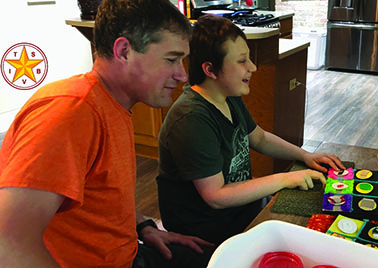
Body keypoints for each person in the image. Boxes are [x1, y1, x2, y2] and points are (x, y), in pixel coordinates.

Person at [0, 0, 215, 267]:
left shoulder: (111, 105)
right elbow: (8, 242)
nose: (182, 74)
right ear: (124, 51)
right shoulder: (71, 111)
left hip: (130, 253)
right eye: (172, 59)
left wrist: (145, 227)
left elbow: (99, 201)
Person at [156, 15, 346, 246]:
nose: (253, 68)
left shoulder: (227, 96)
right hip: (208, 231)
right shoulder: (192, 118)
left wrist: (305, 155)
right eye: (242, 61)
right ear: (210, 70)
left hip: (239, 212)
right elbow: (216, 196)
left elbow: (260, 138)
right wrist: (285, 178)